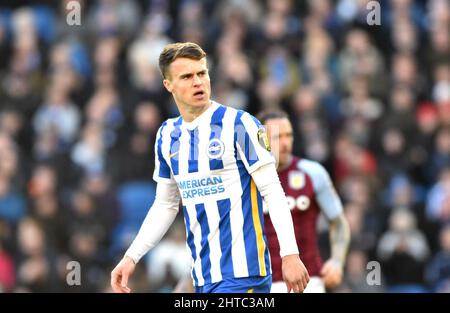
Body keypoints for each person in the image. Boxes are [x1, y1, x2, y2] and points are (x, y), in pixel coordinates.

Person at [110, 42, 309, 293]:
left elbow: (273, 191)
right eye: (187, 76)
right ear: (168, 85)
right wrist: (131, 257)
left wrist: (290, 254)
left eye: (202, 73)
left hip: (244, 274)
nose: (198, 82)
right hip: (202, 277)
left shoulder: (240, 124)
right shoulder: (167, 135)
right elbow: (166, 205)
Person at [258, 110, 350, 293]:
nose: (284, 143)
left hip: (308, 281)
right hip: (260, 283)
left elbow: (339, 223)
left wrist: (337, 262)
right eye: (277, 137)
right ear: (261, 140)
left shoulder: (313, 173)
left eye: (288, 136)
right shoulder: (246, 180)